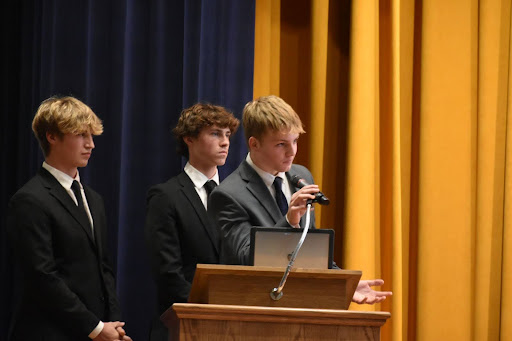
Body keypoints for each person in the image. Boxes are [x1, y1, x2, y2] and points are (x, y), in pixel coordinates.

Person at [209, 95, 392, 304]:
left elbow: (309, 249)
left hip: (302, 304)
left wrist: (343, 283)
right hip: (255, 307)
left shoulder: (301, 175)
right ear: (255, 144)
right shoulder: (228, 194)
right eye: (281, 144)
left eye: (295, 141)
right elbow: (243, 259)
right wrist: (289, 222)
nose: (292, 151)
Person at [6, 96, 132, 341]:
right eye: (81, 135)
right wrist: (95, 328)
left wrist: (112, 326)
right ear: (52, 136)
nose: (91, 145)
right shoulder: (30, 199)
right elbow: (42, 277)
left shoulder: (94, 199)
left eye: (92, 136)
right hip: (50, 333)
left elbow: (103, 269)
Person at [144, 103, 240, 340]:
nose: (225, 142)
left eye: (227, 135)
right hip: (184, 325)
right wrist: (209, 310)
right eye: (215, 133)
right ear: (189, 138)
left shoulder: (236, 196)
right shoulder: (166, 196)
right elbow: (168, 272)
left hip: (232, 326)